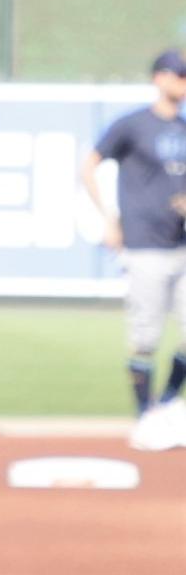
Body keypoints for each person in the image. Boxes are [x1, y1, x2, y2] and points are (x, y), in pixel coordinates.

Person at [82, 49, 186, 420]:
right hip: (144, 245)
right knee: (145, 337)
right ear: (159, 78)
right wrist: (109, 219)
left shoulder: (184, 128)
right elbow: (88, 167)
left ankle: (169, 401)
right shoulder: (133, 125)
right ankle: (145, 415)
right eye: (179, 75)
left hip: (182, 244)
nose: (184, 82)